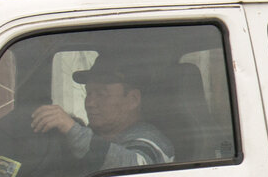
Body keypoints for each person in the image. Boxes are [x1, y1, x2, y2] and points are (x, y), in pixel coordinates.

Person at [30, 55, 173, 169]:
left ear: (133, 100)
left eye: (101, 94)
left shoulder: (152, 141)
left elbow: (135, 169)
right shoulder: (96, 136)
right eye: (89, 93)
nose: (90, 103)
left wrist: (72, 129)